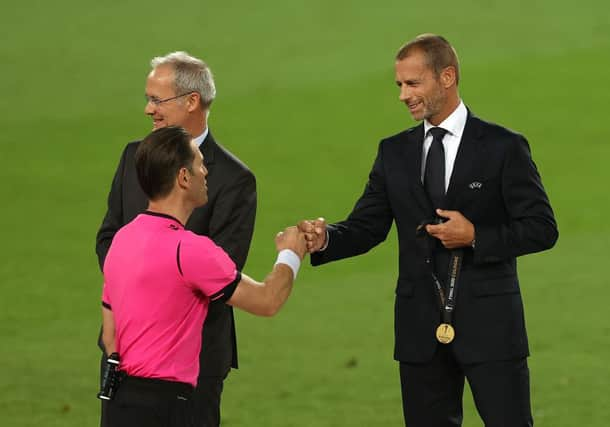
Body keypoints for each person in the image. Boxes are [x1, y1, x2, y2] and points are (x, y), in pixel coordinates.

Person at [298, 34, 558, 426]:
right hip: (420, 330)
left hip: (491, 329)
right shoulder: (394, 152)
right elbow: (367, 226)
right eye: (399, 85)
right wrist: (326, 238)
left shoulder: (503, 147)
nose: (403, 95)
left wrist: (476, 237)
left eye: (413, 83)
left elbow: (542, 228)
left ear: (447, 77)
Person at [101, 126, 305, 427]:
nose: (205, 171)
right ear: (184, 178)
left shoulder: (122, 240)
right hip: (169, 407)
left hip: (121, 402)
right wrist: (291, 253)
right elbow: (267, 300)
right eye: (199, 163)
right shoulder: (191, 250)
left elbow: (110, 335)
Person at [96, 52, 256, 426]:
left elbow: (226, 265)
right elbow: (108, 235)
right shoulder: (135, 156)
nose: (148, 109)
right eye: (149, 98)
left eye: (157, 99)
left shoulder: (233, 179)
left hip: (195, 359)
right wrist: (136, 282)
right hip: (125, 346)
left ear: (191, 101)